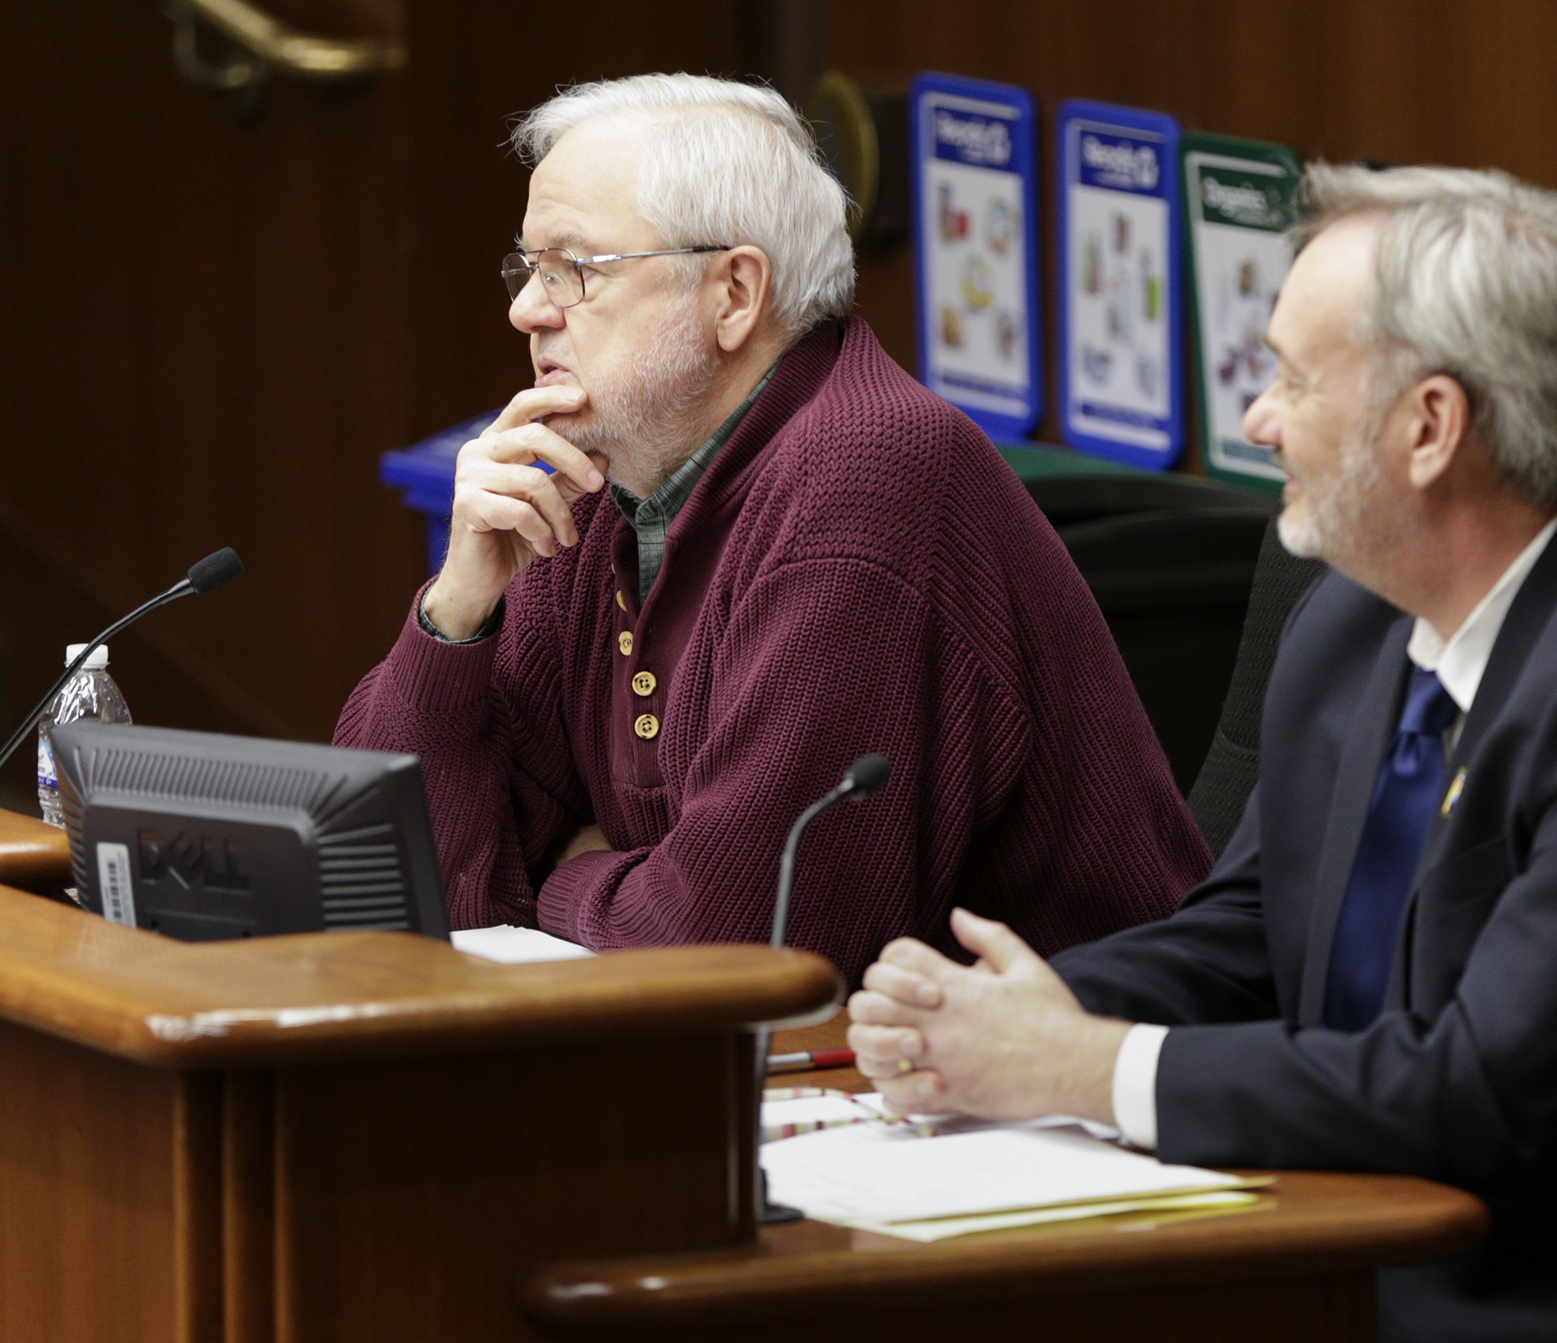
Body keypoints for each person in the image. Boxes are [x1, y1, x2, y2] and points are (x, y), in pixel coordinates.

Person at [847, 165, 1557, 1341]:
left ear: (1431, 426)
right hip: (1378, 1235)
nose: (1256, 420)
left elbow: (1481, 1093)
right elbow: (1247, 942)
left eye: (1288, 377)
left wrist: (1084, 1066)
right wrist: (996, 1017)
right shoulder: (1358, 616)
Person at [336, 74, 1209, 981]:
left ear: (734, 294)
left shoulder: (868, 475)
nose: (528, 308)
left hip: (1055, 1090)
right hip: (821, 1074)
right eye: (529, 267)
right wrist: (458, 612)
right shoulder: (595, 474)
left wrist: (557, 872)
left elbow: (729, 953)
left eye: (575, 269)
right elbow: (380, 882)